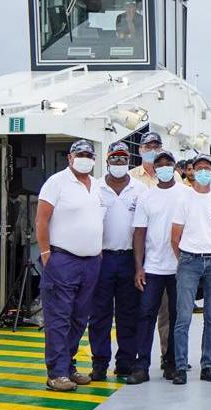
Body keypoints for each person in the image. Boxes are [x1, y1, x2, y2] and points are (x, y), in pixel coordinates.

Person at [35, 140, 107, 392]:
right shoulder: (56, 182)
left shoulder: (97, 186)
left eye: (89, 154)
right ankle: (56, 373)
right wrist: (46, 253)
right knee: (59, 317)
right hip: (63, 259)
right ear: (70, 158)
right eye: (80, 154)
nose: (85, 158)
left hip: (91, 262)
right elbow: (42, 219)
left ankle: (68, 366)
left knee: (79, 318)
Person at [127, 151, 189, 385]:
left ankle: (171, 364)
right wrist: (138, 267)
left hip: (180, 268)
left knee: (176, 317)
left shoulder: (186, 194)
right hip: (152, 268)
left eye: (168, 164)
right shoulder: (147, 196)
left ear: (174, 167)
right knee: (145, 316)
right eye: (159, 164)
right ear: (154, 168)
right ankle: (141, 366)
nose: (163, 167)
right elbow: (139, 234)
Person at [170, 154, 211, 385]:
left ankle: (208, 365)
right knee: (183, 317)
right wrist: (184, 258)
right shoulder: (184, 199)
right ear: (192, 171)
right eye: (199, 168)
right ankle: (180, 367)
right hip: (189, 261)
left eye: (208, 168)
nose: (204, 171)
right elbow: (175, 236)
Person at [89, 142, 147, 381]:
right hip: (102, 258)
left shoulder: (140, 189)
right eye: (115, 159)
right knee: (99, 314)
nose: (119, 164)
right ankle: (99, 363)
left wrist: (138, 266)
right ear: (107, 162)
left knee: (128, 314)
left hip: (128, 259)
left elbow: (141, 231)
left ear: (129, 162)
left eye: (123, 159)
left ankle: (124, 363)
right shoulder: (95, 187)